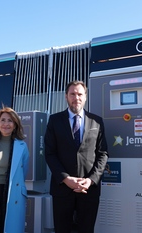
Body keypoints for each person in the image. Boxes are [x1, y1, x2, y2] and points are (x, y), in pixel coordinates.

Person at [44, 80, 109, 233]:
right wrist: (66, 179)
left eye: (80, 94)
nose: (76, 97)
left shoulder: (96, 121)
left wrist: (91, 180)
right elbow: (50, 153)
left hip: (89, 190)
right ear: (66, 96)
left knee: (86, 230)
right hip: (62, 189)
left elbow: (103, 154)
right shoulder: (54, 120)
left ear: (85, 97)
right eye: (72, 94)